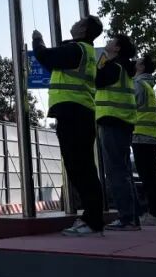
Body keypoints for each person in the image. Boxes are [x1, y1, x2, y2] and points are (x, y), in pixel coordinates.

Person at [32, 17, 105, 237]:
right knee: (82, 168)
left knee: (79, 168)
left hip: (74, 112)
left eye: (79, 22)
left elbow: (46, 57)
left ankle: (92, 220)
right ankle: (92, 218)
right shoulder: (84, 51)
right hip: (78, 112)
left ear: (83, 29)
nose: (74, 23)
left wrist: (37, 41)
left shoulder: (77, 50)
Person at [96, 32, 140, 231]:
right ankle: (132, 218)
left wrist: (102, 61)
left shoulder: (114, 67)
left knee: (116, 172)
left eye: (112, 41)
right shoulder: (125, 68)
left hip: (113, 120)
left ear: (117, 48)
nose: (108, 42)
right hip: (123, 121)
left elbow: (97, 80)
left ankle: (126, 218)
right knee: (124, 171)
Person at [132, 54, 156, 226]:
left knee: (147, 176)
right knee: (152, 176)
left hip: (140, 135)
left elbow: (132, 105)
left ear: (142, 67)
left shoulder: (138, 84)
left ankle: (153, 213)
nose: (134, 62)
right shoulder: (148, 85)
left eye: (138, 61)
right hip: (151, 135)